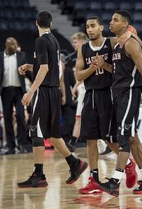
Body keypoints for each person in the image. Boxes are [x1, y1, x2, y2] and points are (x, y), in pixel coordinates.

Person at [17, 11, 88, 188]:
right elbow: (47, 66)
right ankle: (75, 163)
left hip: (44, 91)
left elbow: (44, 70)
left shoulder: (40, 41)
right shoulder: (54, 40)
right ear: (50, 23)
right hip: (54, 91)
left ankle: (39, 174)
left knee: (36, 133)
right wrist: (29, 66)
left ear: (36, 23)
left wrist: (30, 92)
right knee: (53, 134)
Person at [97, 10, 142, 197]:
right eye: (111, 19)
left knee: (124, 138)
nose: (111, 22)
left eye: (115, 20)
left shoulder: (131, 44)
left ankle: (114, 181)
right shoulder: (118, 45)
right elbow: (118, 70)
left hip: (130, 94)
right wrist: (104, 65)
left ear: (125, 25)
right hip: (119, 93)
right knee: (132, 137)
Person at [75, 16, 141, 194]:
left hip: (108, 94)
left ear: (101, 27)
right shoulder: (83, 49)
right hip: (90, 96)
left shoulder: (111, 43)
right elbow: (79, 76)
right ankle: (93, 179)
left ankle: (128, 163)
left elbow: (117, 69)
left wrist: (104, 65)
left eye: (93, 26)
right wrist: (93, 67)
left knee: (108, 138)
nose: (89, 29)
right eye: (87, 26)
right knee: (90, 139)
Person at [0, 37, 29, 154]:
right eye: (13, 45)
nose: (15, 47)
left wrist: (36, 86)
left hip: (19, 91)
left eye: (16, 45)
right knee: (7, 118)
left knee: (21, 116)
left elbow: (28, 73)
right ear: (7, 46)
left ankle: (22, 144)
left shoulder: (22, 55)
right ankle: (10, 145)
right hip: (5, 91)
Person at [66, 32, 89, 152]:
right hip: (82, 88)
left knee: (82, 118)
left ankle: (72, 143)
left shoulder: (86, 53)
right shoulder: (79, 54)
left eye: (75, 42)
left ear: (82, 42)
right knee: (79, 118)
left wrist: (75, 87)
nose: (73, 45)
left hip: (87, 88)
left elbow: (84, 75)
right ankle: (72, 143)